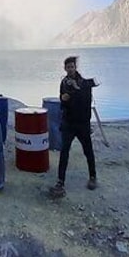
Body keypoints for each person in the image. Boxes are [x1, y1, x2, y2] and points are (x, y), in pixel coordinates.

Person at [49, 55, 98, 197]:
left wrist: (77, 89)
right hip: (69, 123)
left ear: (75, 68)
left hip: (82, 123)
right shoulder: (64, 83)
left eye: (72, 66)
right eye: (68, 67)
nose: (70, 69)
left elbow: (86, 100)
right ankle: (60, 182)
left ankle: (93, 177)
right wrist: (63, 99)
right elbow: (62, 100)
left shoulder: (84, 83)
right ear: (65, 68)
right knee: (64, 152)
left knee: (88, 150)